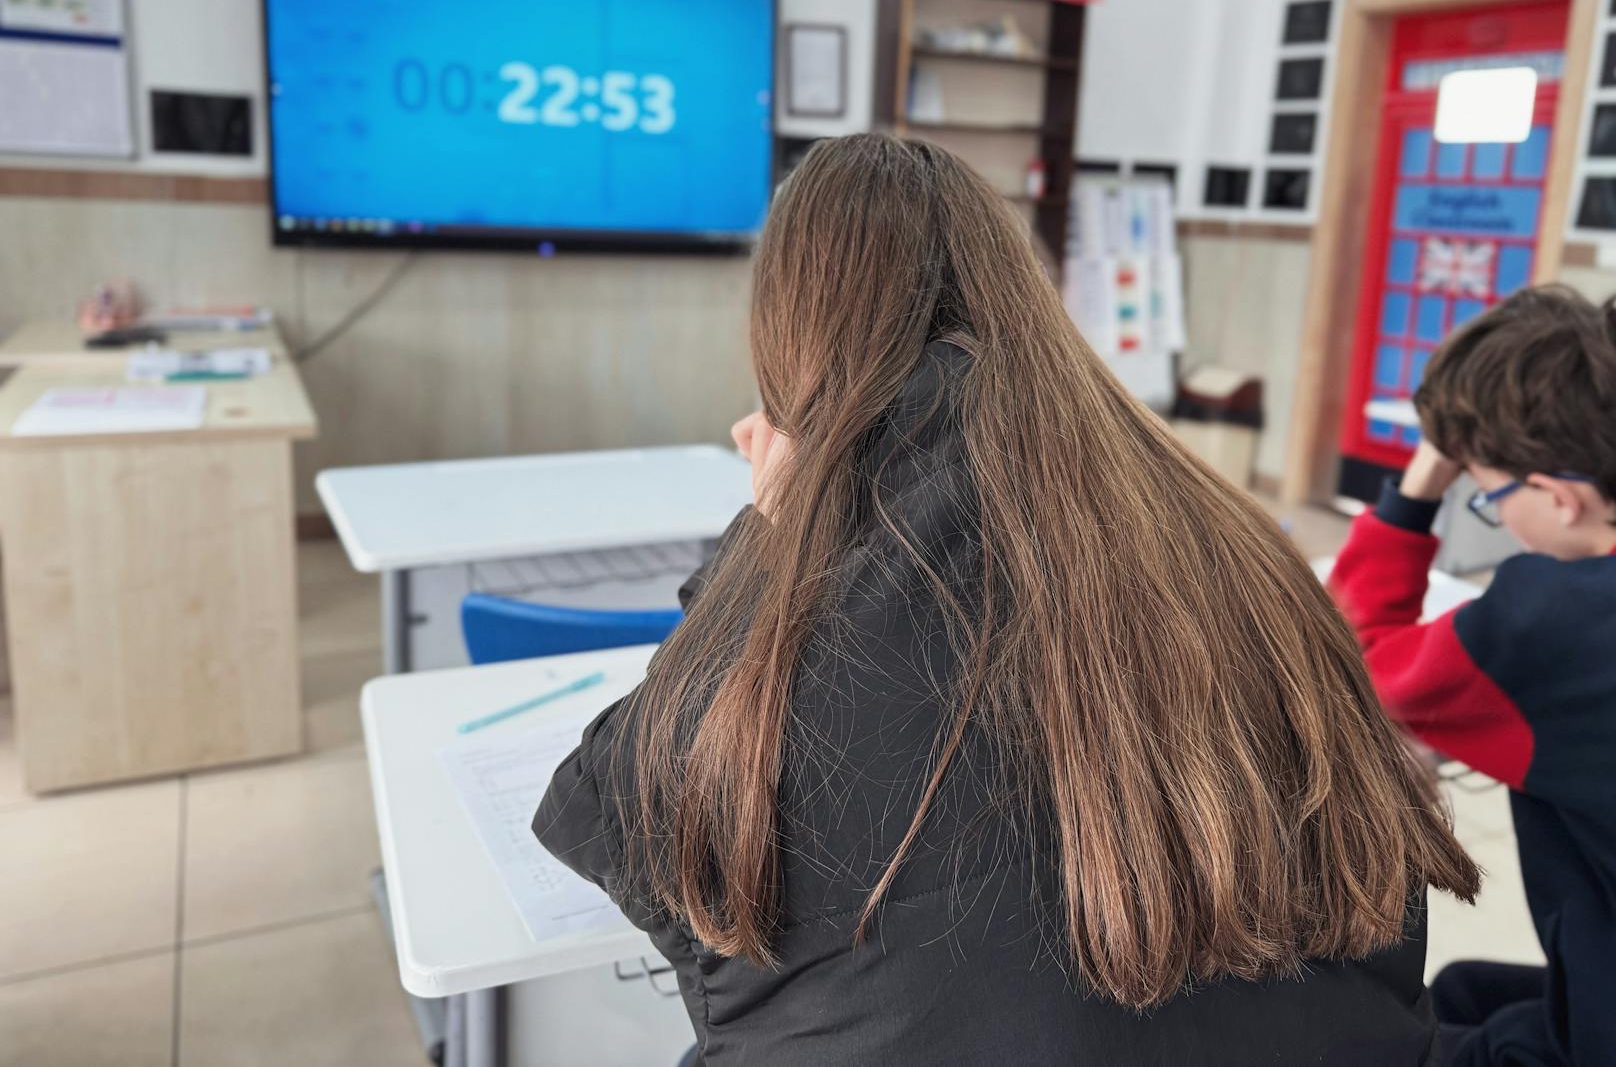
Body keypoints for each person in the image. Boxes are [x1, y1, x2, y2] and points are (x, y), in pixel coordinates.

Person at [534, 133, 1478, 1065]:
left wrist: (770, 532)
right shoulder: (1226, 527)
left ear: (788, 329)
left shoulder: (804, 601)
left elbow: (603, 810)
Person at [1328, 285, 1616, 1066]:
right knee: (1470, 992)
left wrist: (1417, 489)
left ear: (1557, 498)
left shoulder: (1546, 622)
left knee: (1419, 1028)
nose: (1489, 510)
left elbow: (1346, 670)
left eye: (1485, 496)